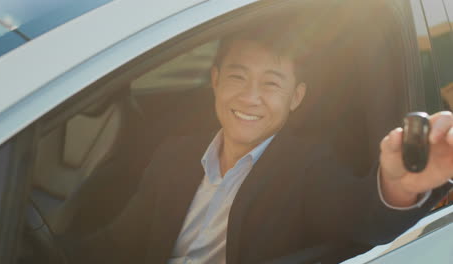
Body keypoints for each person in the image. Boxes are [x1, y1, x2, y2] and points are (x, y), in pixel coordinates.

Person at [67, 24, 453, 264]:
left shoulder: (307, 165)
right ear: (215, 81)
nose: (250, 98)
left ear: (296, 97)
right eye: (238, 77)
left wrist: (401, 185)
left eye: (271, 84)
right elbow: (115, 242)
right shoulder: (175, 154)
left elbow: (362, 218)